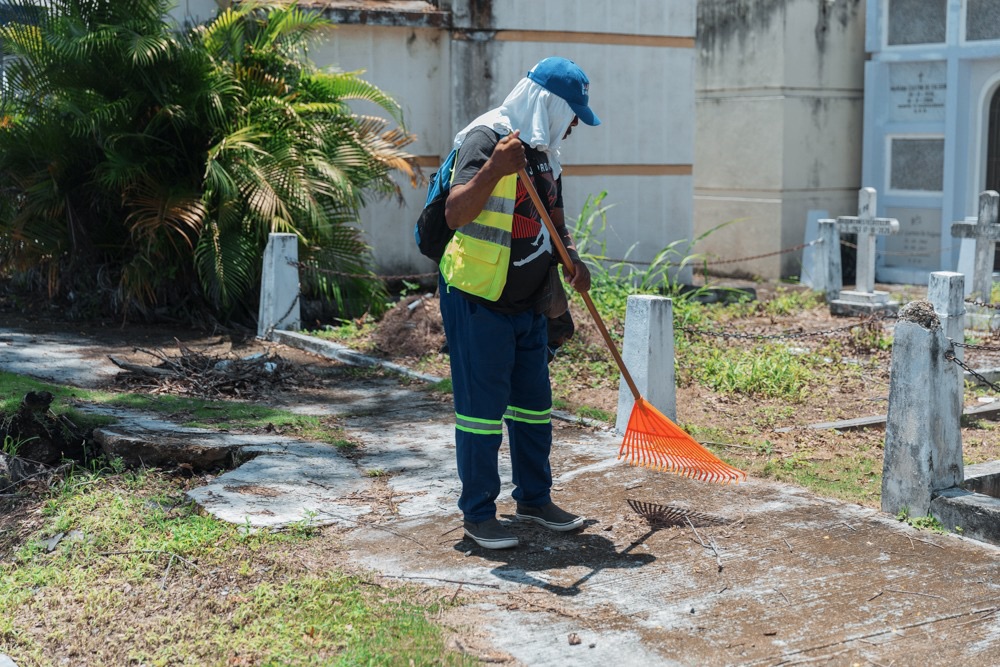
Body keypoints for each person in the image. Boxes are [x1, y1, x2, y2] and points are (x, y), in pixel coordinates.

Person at [439, 56, 599, 549]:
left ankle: (534, 498)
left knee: (533, 407)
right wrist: (493, 169)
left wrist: (571, 256)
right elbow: (455, 213)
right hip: (478, 296)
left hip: (530, 301)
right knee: (482, 412)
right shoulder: (486, 138)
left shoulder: (545, 152)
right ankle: (478, 515)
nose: (574, 125)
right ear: (548, 105)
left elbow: (554, 213)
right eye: (571, 114)